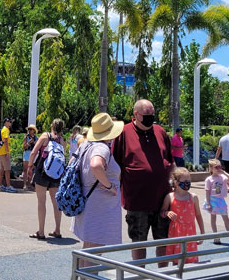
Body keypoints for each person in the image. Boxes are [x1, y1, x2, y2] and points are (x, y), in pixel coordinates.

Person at [111, 99, 173, 266]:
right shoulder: (123, 133)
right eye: (147, 115)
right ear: (136, 114)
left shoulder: (160, 132)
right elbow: (114, 164)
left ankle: (163, 276)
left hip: (162, 201)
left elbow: (171, 161)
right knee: (139, 242)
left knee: (163, 241)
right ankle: (140, 275)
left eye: (152, 114)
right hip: (137, 201)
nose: (150, 118)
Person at [71, 113, 122, 267]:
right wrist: (109, 186)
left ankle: (80, 277)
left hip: (87, 201)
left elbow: (73, 163)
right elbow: (96, 165)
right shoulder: (102, 147)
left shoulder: (86, 145)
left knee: (88, 248)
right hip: (100, 207)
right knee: (95, 252)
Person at [28, 118, 66, 240]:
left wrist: (29, 166)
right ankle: (57, 230)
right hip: (56, 174)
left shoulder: (45, 136)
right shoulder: (62, 140)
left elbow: (34, 152)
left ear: (51, 126)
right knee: (56, 203)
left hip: (42, 172)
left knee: (41, 202)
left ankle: (41, 231)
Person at [162, 167, 205, 264]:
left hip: (190, 232)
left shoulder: (193, 197)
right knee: (177, 260)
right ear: (176, 183)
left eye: (189, 181)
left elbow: (198, 215)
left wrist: (202, 232)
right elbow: (162, 211)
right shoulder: (170, 197)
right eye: (185, 181)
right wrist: (167, 213)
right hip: (176, 232)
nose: (187, 183)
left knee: (191, 259)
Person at [203, 159, 229, 245]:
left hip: (221, 200)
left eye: (220, 167)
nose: (219, 168)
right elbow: (207, 191)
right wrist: (208, 203)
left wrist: (224, 172)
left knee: (226, 219)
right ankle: (216, 237)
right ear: (211, 168)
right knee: (213, 219)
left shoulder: (223, 177)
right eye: (216, 167)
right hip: (212, 200)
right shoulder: (209, 179)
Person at [0, 118, 16, 192]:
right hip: (5, 152)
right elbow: (5, 141)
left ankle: (0, 185)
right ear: (5, 122)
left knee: (2, 169)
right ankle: (8, 186)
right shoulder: (6, 130)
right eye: (9, 122)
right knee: (7, 169)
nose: (10, 123)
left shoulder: (2, 129)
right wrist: (8, 152)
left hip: (0, 151)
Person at [22, 125, 38, 190]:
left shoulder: (36, 138)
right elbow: (24, 147)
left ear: (34, 131)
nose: (30, 130)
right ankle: (25, 185)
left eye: (31, 129)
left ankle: (29, 184)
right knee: (25, 170)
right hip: (27, 153)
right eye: (29, 129)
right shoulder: (26, 137)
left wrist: (33, 142)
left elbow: (37, 147)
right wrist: (28, 143)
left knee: (31, 170)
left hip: (32, 154)